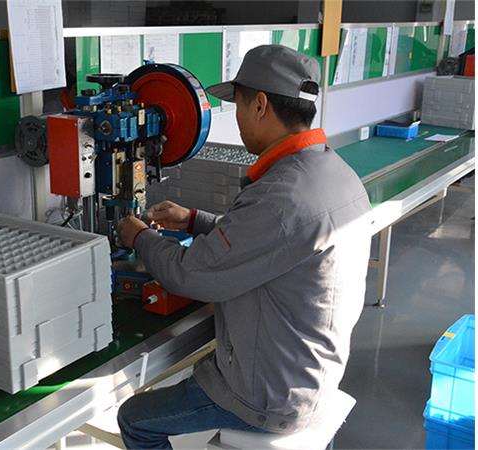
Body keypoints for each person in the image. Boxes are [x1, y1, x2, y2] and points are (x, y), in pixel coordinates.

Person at [115, 44, 372, 449]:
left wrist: (139, 237)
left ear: (260, 105)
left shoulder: (279, 194)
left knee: (135, 418)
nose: (236, 117)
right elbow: (275, 242)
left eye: (238, 104)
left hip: (270, 397)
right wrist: (195, 220)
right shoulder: (333, 172)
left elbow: (191, 274)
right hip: (311, 371)